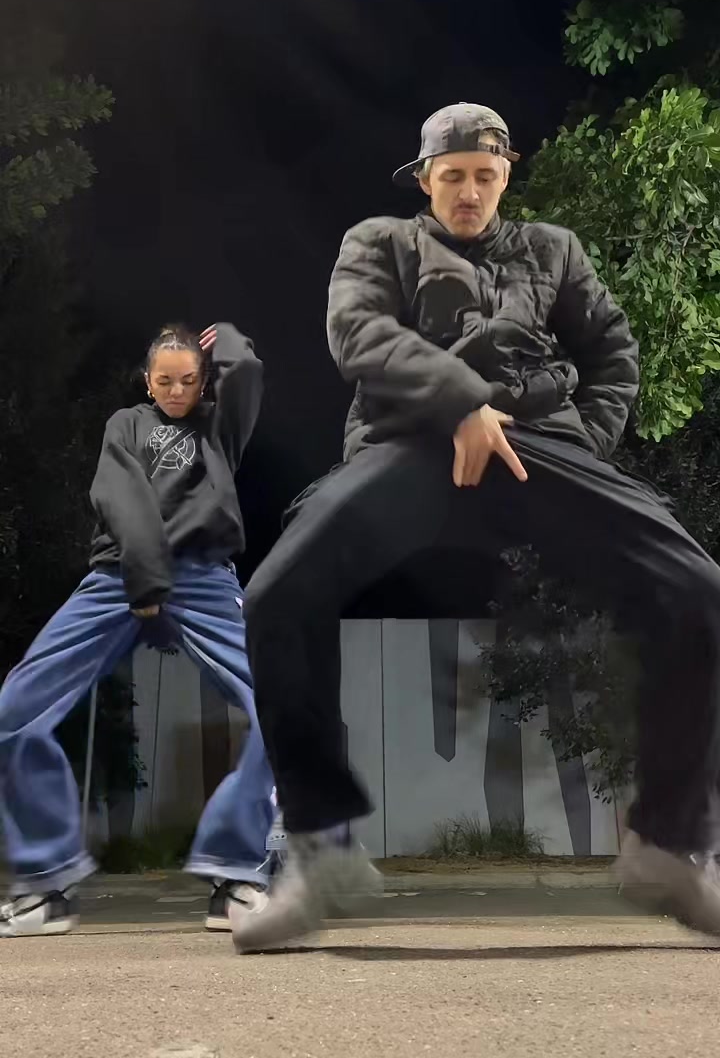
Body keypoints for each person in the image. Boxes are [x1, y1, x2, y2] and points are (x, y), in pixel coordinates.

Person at [233, 101, 720, 953]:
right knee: (277, 595)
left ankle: (666, 846)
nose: (469, 191)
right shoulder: (379, 242)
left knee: (699, 591)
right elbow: (358, 333)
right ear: (425, 179)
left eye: (485, 176)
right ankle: (321, 848)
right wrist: (461, 404)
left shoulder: (553, 250)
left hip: (538, 447)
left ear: (506, 175)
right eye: (452, 176)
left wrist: (582, 447)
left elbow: (613, 353)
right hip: (411, 441)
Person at [0, 322, 275, 936]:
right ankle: (44, 885)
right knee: (13, 711)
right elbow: (119, 496)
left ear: (204, 382)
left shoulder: (219, 428)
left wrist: (230, 341)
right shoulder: (125, 424)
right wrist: (145, 577)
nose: (176, 392)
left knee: (281, 704)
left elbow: (249, 376)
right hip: (119, 575)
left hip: (203, 577)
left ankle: (237, 872)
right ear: (147, 382)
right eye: (164, 381)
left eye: (188, 381)